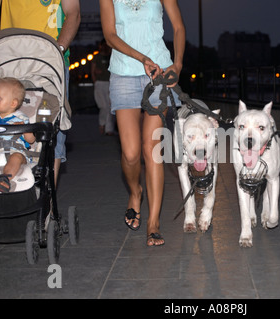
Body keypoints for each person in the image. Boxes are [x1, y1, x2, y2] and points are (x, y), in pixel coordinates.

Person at [100, 0, 185, 246]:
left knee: (152, 149)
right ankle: (135, 192)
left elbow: (178, 27)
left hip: (159, 75)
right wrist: (141, 58)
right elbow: (109, 35)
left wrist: (177, 65)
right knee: (130, 153)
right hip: (124, 74)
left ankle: (153, 223)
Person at [0, 0, 81, 188]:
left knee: (52, 127)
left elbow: (73, 13)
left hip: (50, 63)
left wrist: (58, 51)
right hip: (9, 60)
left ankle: (45, 202)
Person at [0, 77, 36, 193]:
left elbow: (31, 140)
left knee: (17, 158)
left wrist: (24, 128)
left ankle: (5, 178)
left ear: (13, 103)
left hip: (14, 152)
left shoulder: (21, 118)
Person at [91, 38, 115, 136]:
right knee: (103, 106)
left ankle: (109, 129)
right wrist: (95, 82)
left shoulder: (111, 57)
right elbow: (92, 71)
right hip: (100, 83)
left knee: (110, 107)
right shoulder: (96, 57)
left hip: (110, 83)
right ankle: (102, 123)